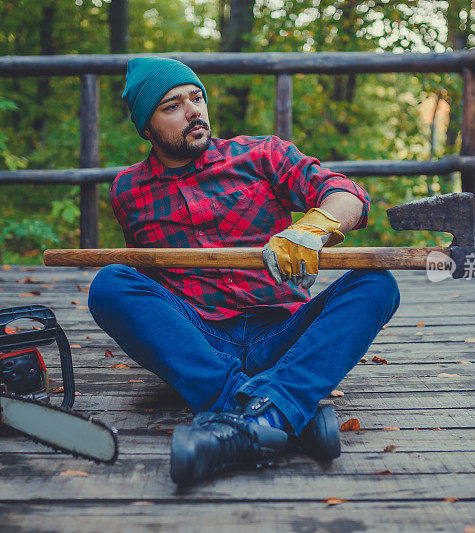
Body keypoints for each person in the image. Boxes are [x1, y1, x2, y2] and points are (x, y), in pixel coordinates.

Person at [87, 57, 400, 485]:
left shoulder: (261, 155)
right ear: (147, 126)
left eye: (197, 98)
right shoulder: (127, 190)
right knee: (111, 283)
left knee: (377, 283)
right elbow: (149, 287)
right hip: (204, 340)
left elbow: (348, 194)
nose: (194, 110)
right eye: (172, 106)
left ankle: (239, 415)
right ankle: (285, 412)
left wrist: (313, 228)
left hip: (284, 333)